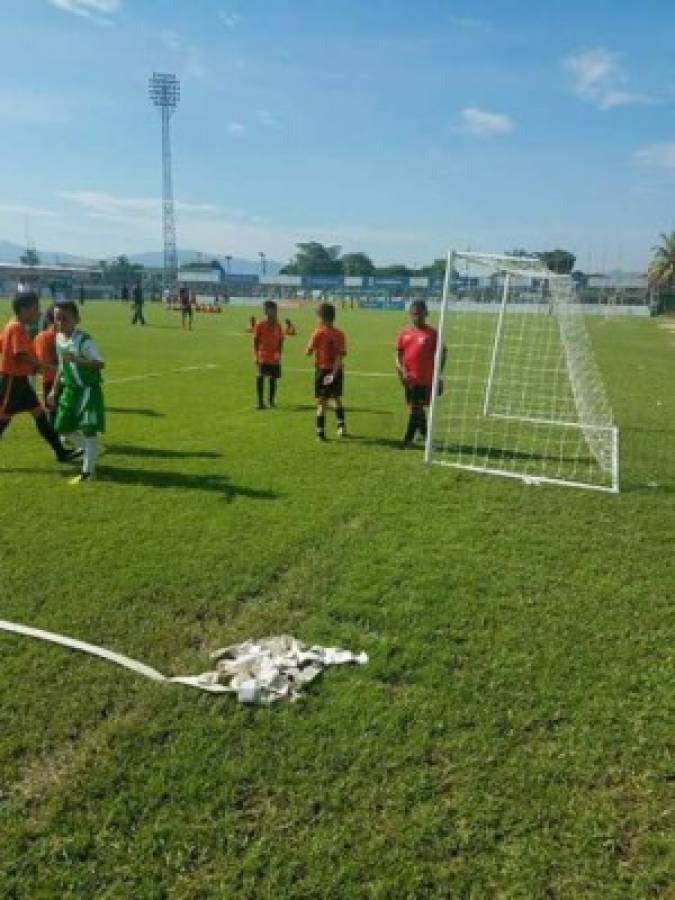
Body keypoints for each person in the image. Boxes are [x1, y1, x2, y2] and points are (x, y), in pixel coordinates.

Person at [0, 292, 79, 463]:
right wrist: (47, 367)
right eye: (35, 309)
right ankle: (60, 452)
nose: (38, 313)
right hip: (12, 383)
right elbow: (21, 355)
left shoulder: (13, 324)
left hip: (21, 382)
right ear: (23, 309)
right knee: (2, 421)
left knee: (40, 415)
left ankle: (60, 452)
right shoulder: (16, 327)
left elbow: (3, 344)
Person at [50, 301, 105, 485]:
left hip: (88, 391)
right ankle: (90, 450)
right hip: (70, 391)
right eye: (57, 319)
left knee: (89, 431)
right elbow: (61, 365)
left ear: (77, 319)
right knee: (62, 427)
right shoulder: (58, 338)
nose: (60, 323)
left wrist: (78, 360)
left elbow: (99, 363)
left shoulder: (83, 340)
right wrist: (54, 389)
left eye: (65, 319)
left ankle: (88, 471)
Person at [395, 299, 446, 448]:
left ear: (426, 314)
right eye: (414, 314)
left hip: (425, 379)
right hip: (409, 379)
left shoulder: (433, 333)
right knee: (415, 407)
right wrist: (401, 372)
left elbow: (443, 353)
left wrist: (438, 374)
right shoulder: (404, 333)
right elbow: (398, 355)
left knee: (416, 408)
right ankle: (425, 435)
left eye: (420, 314)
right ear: (410, 314)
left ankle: (408, 440)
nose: (417, 317)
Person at [306, 302, 347, 441]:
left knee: (322, 401)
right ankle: (341, 426)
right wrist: (335, 373)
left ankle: (320, 433)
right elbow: (340, 356)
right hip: (336, 371)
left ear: (321, 318)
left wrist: (311, 343)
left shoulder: (318, 332)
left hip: (323, 371)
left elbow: (308, 352)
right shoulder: (340, 334)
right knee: (336, 398)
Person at [253, 300, 284, 409]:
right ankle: (260, 402)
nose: (274, 312)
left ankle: (271, 401)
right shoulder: (260, 325)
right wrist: (255, 355)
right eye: (272, 310)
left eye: (275, 310)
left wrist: (279, 354)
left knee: (273, 379)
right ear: (266, 311)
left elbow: (281, 340)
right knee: (260, 377)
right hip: (263, 356)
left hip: (274, 357)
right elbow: (255, 340)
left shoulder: (278, 325)